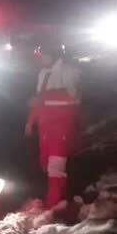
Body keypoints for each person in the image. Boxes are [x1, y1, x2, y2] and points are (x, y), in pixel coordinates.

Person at [25, 41, 80, 207]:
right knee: (47, 167)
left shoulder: (70, 71)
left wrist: (45, 98)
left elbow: (74, 98)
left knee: (55, 168)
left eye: (44, 55)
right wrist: (30, 121)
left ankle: (53, 205)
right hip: (45, 128)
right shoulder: (43, 73)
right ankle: (59, 203)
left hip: (61, 127)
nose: (41, 59)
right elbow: (38, 100)